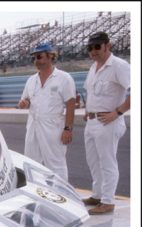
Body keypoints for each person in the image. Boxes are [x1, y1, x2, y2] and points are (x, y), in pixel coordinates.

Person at [81, 32, 130, 215]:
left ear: (107, 46)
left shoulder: (119, 66)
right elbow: (90, 92)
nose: (93, 51)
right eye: (90, 48)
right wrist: (87, 110)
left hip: (108, 122)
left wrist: (117, 113)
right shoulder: (93, 68)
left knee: (107, 162)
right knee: (93, 161)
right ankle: (98, 195)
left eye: (97, 47)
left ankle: (108, 201)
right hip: (92, 121)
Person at [17, 43, 75, 181]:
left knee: (55, 164)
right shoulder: (31, 80)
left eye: (39, 57)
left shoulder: (64, 78)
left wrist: (68, 129)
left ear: (50, 57)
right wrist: (23, 104)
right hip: (33, 126)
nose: (36, 61)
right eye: (34, 58)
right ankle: (37, 195)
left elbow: (71, 104)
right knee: (31, 163)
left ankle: (62, 198)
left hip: (53, 127)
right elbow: (25, 100)